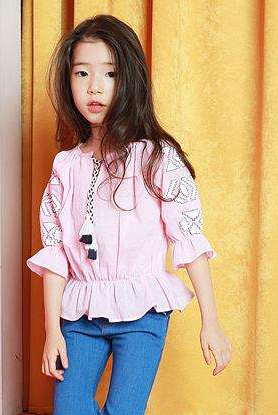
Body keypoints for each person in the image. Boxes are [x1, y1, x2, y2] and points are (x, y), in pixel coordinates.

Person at [26, 14, 232, 415]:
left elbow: (189, 241)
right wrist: (52, 331)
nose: (94, 86)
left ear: (129, 81)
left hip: (143, 314)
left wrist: (211, 323)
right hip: (81, 313)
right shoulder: (66, 167)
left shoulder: (156, 158)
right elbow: (55, 256)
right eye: (82, 73)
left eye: (110, 73)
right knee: (68, 407)